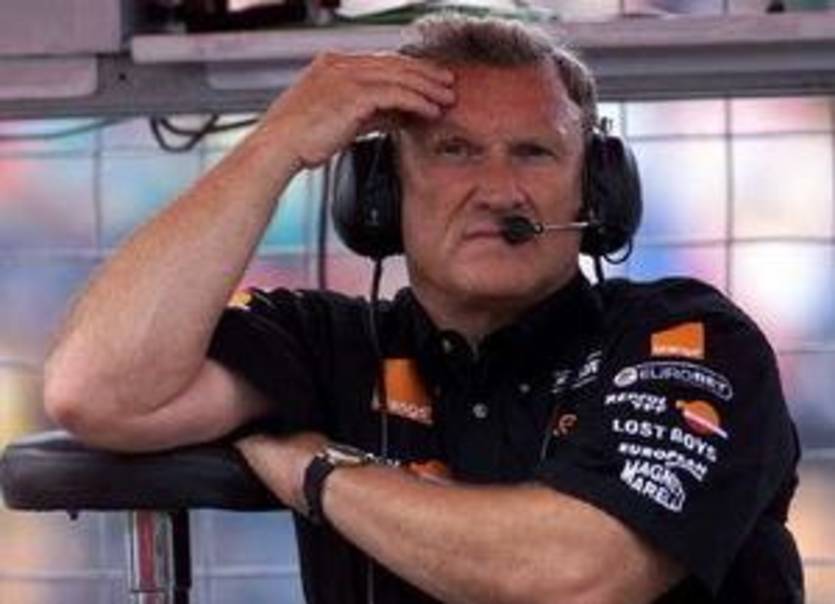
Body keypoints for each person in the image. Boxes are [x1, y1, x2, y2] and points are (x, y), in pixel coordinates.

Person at [43, 13, 803, 604]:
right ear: (379, 194)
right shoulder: (326, 344)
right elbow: (97, 390)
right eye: (454, 150)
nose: (499, 190)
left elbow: (576, 576)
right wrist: (276, 145)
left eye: (534, 152)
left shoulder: (688, 337)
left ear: (595, 190)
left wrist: (320, 472)